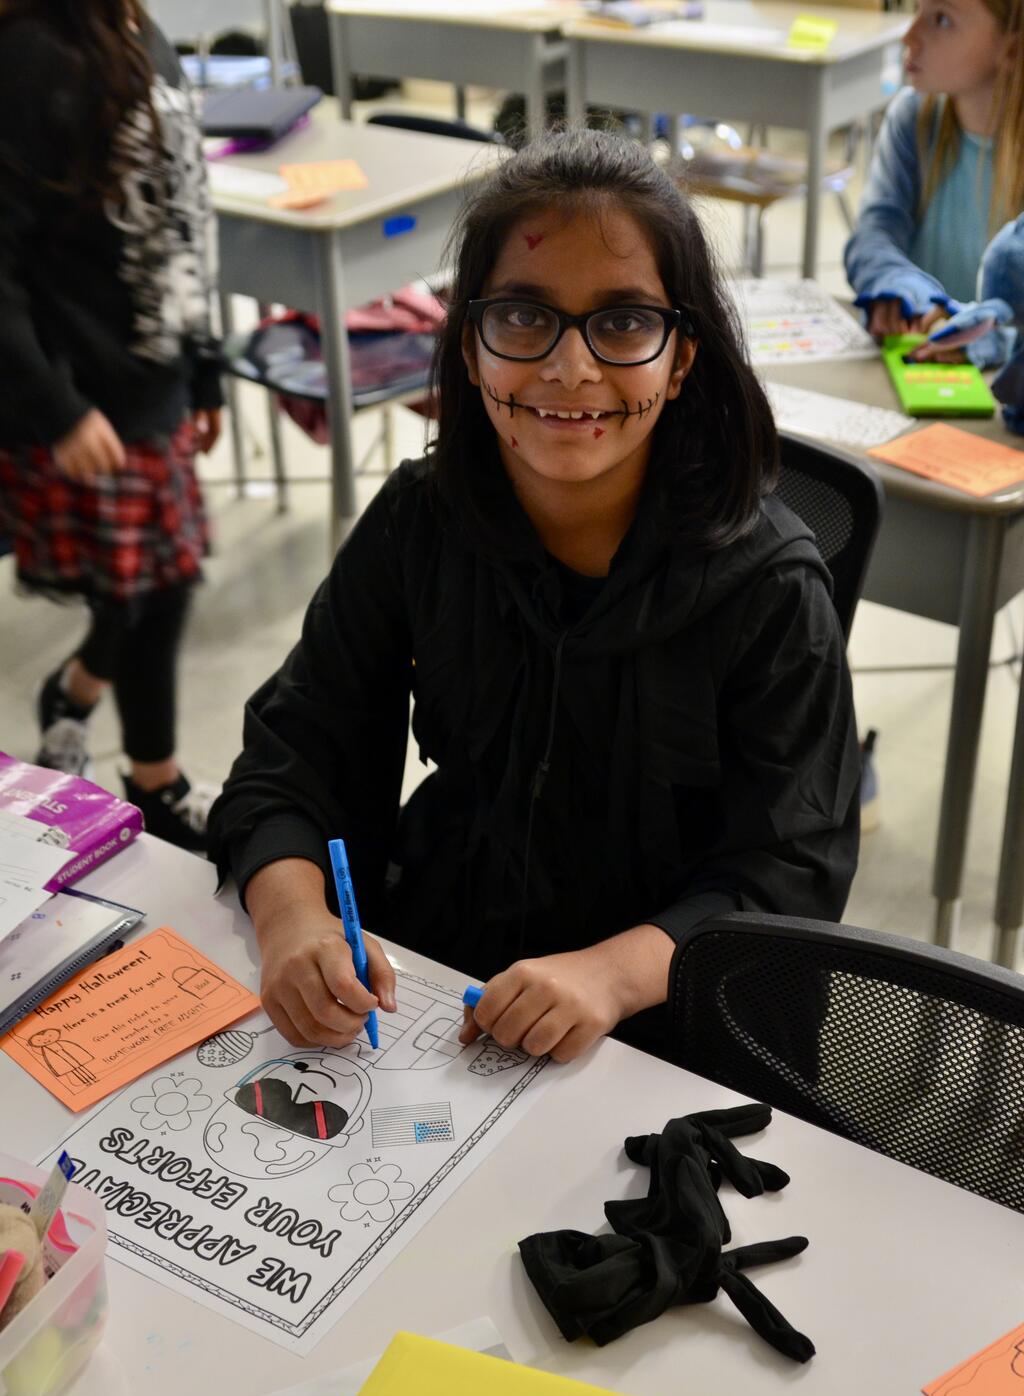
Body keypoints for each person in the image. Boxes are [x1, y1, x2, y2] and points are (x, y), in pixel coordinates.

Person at [208, 129, 860, 1066]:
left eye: (623, 322)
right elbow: (293, 754)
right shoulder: (420, 520)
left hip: (663, 1025)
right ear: (470, 347)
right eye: (522, 316)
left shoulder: (773, 589)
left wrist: (608, 977)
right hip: (441, 977)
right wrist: (292, 920)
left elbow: (787, 872)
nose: (569, 367)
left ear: (681, 359)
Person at [0, 0, 223, 849]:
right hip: (85, 394)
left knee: (153, 580)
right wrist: (56, 409)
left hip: (155, 378)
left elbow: (183, 214)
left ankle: (77, 691)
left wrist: (205, 368)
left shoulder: (140, 30)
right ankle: (155, 781)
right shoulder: (32, 54)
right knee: (159, 584)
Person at [844, 0, 1024, 373]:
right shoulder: (914, 117)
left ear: (1011, 47)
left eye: (941, 19)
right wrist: (898, 283)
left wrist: (997, 339)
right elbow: (874, 235)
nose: (909, 36)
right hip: (926, 372)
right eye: (917, 10)